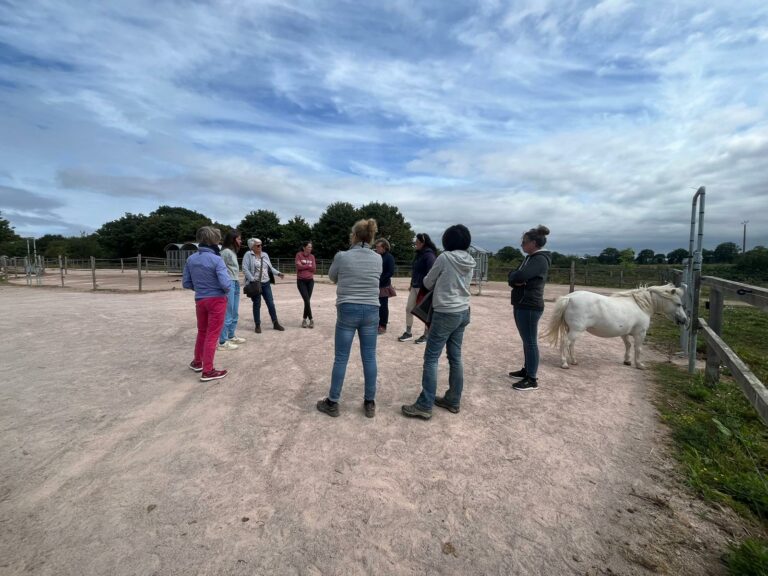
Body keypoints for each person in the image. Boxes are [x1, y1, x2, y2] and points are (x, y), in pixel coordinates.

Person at [401, 225, 476, 419]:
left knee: (431, 358)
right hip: (463, 311)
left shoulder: (445, 258)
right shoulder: (470, 260)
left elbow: (427, 282)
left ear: (447, 241)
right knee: (455, 357)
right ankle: (453, 399)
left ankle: (425, 404)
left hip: (445, 312)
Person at [316, 219, 382, 419]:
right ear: (370, 237)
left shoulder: (342, 256)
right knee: (369, 356)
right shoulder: (377, 258)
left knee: (341, 357)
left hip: (347, 309)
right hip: (371, 310)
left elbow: (332, 277)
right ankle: (369, 402)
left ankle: (333, 402)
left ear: (354, 235)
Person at [182, 226, 231, 382]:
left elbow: (186, 283)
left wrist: (201, 288)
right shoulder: (217, 260)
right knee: (212, 335)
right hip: (216, 299)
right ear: (214, 240)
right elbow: (226, 284)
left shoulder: (191, 259)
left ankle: (198, 361)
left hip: (200, 299)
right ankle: (208, 370)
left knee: (202, 331)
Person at [507, 225, 551, 391]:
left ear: (533, 243)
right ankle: (527, 370)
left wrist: (515, 278)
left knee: (530, 341)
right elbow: (514, 275)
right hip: (522, 303)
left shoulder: (539, 259)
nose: (522, 245)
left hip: (530, 305)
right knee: (527, 340)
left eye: (524, 242)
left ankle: (532, 379)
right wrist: (514, 278)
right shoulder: (531, 258)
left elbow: (520, 275)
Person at [398, 232, 437, 344]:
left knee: (425, 312)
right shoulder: (419, 254)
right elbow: (415, 271)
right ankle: (408, 332)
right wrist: (411, 283)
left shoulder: (429, 255)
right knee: (409, 308)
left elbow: (432, 273)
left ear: (423, 243)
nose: (415, 244)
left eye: (417, 242)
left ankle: (426, 334)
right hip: (415, 286)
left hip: (424, 287)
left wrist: (427, 287)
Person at [242, 238, 285, 333]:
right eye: (258, 245)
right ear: (252, 246)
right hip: (255, 283)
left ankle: (275, 323)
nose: (260, 247)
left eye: (261, 245)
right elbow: (245, 269)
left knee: (270, 303)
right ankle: (257, 325)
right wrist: (252, 279)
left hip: (266, 283)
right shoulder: (248, 255)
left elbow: (270, 267)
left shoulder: (265, 255)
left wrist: (278, 273)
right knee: (257, 304)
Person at [217, 230, 246, 351]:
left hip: (235, 282)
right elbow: (219, 268)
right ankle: (222, 341)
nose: (240, 241)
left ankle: (231, 335)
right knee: (228, 312)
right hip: (229, 283)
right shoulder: (226, 252)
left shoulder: (232, 252)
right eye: (239, 239)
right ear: (233, 239)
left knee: (234, 311)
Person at [374, 238, 396, 335]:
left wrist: (380, 279)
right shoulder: (376, 256)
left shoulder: (389, 257)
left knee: (383, 306)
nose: (376, 248)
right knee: (375, 305)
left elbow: (390, 272)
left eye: (378, 247)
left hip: (383, 285)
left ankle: (383, 325)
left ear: (384, 248)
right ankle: (376, 323)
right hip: (375, 284)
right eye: (376, 247)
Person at [295, 240, 316, 328]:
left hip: (310, 281)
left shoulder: (312, 256)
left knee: (307, 301)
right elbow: (298, 267)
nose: (310, 249)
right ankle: (311, 319)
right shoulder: (299, 255)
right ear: (304, 248)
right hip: (301, 281)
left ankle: (304, 319)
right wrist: (308, 266)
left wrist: (303, 266)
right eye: (308, 247)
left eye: (311, 247)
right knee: (307, 300)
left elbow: (314, 269)